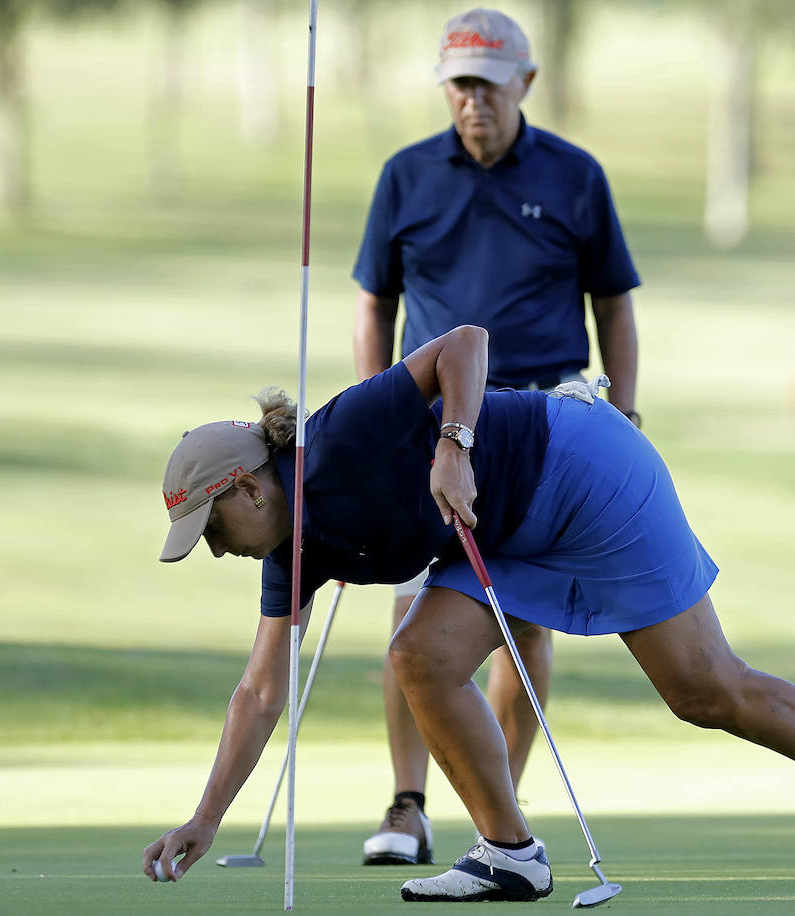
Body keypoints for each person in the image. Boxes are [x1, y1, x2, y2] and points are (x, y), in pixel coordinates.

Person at [141, 325, 795, 904]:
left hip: (584, 470)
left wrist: (452, 443)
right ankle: (509, 853)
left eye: (211, 528)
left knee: (703, 689)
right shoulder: (289, 553)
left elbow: (464, 342)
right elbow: (260, 691)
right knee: (419, 655)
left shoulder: (342, 437)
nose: (214, 549)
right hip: (508, 529)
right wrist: (206, 819)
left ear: (249, 488)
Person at [350, 7, 641, 865]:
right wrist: (374, 409)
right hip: (433, 426)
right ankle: (408, 806)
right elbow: (375, 302)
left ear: (526, 83)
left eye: (488, 83)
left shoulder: (575, 176)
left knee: (523, 621)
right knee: (411, 613)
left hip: (545, 428)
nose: (473, 99)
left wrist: (624, 411)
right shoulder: (406, 175)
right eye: (459, 84)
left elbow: (613, 302)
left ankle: (496, 818)